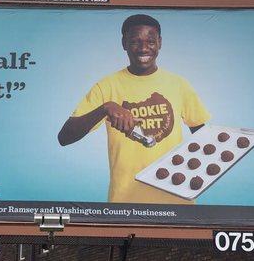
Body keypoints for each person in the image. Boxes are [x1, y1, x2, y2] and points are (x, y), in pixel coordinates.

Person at [57, 14, 211, 204]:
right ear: (124, 43)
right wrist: (105, 108)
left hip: (177, 201)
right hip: (125, 204)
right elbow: (64, 138)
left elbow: (204, 137)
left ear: (160, 43)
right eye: (135, 42)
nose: (144, 48)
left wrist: (189, 173)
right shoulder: (107, 86)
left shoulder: (178, 84)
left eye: (151, 41)